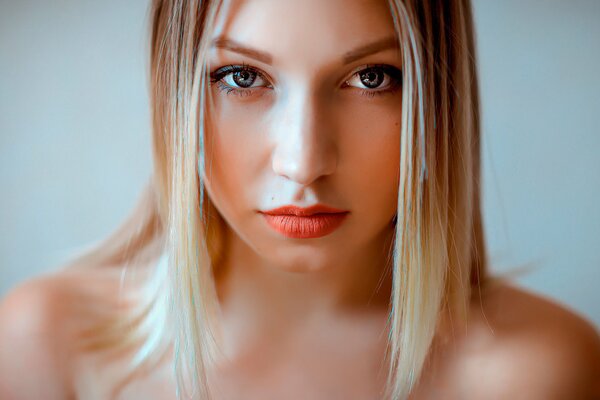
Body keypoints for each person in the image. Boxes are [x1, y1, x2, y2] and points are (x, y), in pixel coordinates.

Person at [1, 0, 599, 399]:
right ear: (171, 95)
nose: (303, 162)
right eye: (241, 76)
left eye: (371, 79)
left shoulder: (541, 371)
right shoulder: (43, 349)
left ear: (439, 101)